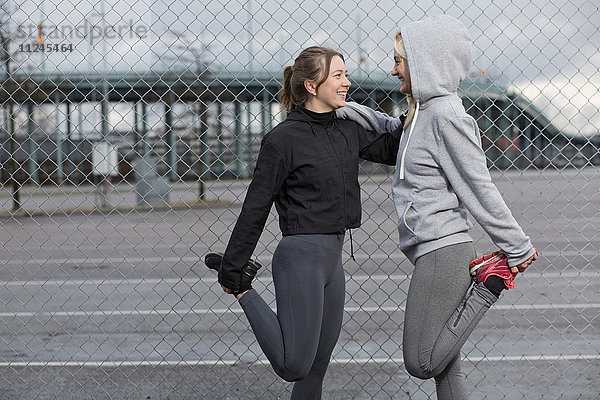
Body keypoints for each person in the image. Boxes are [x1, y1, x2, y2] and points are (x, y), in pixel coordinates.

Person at [337, 14, 538, 399]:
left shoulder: (447, 116)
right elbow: (390, 128)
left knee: (422, 361)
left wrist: (517, 247)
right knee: (446, 367)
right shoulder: (423, 113)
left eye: (400, 60)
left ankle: (490, 283)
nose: (392, 69)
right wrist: (345, 109)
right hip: (431, 249)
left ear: (426, 62)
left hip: (442, 251)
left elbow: (478, 186)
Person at [204, 46, 402, 400]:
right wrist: (233, 269)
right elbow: (256, 207)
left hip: (332, 260)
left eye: (345, 74)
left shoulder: (348, 130)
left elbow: (393, 148)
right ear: (312, 86)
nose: (347, 82)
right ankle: (243, 291)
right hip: (300, 258)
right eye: (338, 75)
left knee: (315, 369)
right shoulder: (282, 140)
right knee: (294, 364)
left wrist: (421, 101)